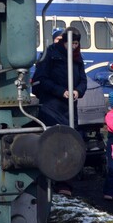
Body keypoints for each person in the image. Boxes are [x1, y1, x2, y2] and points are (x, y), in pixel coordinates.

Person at [32, 27, 87, 195]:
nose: (73, 47)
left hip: (70, 108)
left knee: (69, 142)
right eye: (71, 43)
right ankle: (49, 178)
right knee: (53, 142)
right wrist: (60, 91)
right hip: (51, 105)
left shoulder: (77, 58)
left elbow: (83, 80)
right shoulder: (51, 54)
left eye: (76, 44)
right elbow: (41, 80)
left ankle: (65, 182)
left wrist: (78, 91)